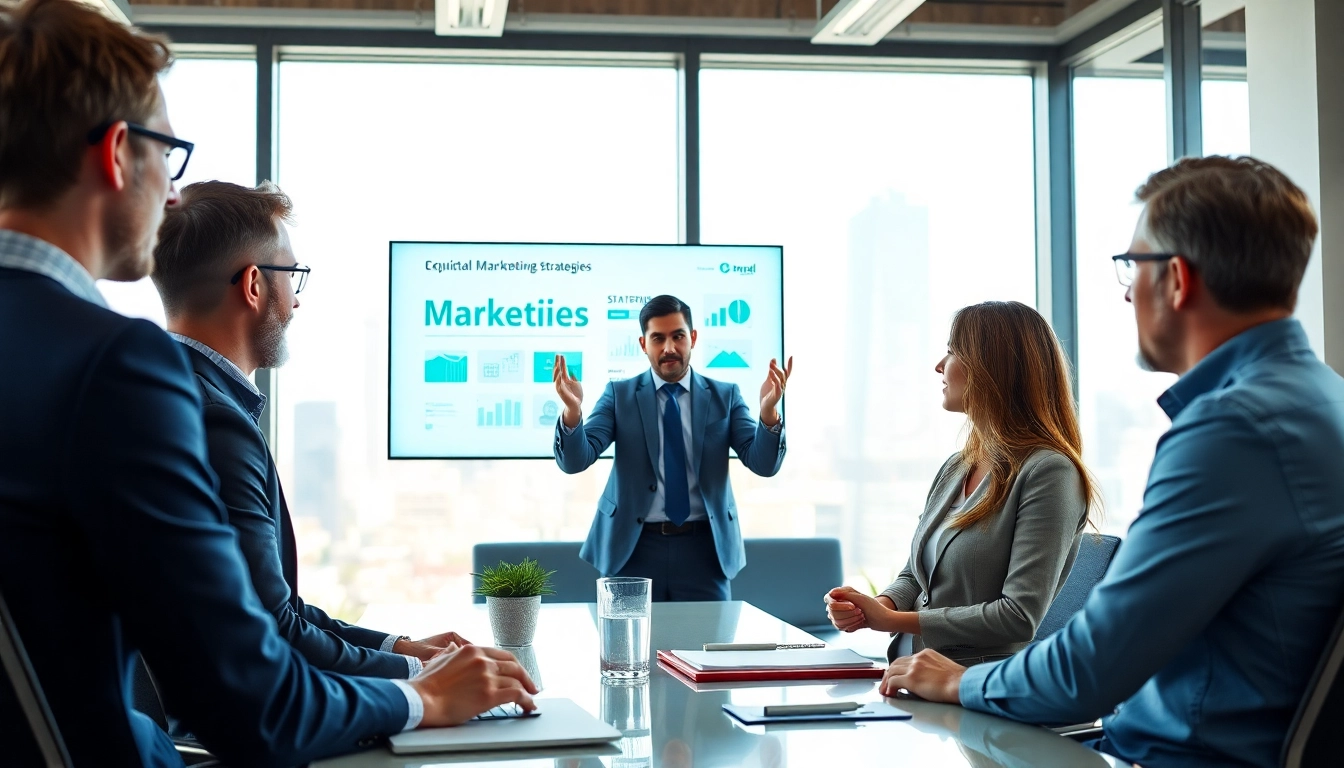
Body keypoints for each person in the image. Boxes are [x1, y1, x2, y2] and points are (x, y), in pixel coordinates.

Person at [0, 2, 535, 765]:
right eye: (168, 155)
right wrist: (423, 695)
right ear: (118, 154)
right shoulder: (117, 367)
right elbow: (251, 704)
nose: (174, 195)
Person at [882, 156, 1344, 768]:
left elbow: (1092, 667)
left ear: (1177, 280)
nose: (1127, 291)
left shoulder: (1232, 432)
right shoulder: (1323, 398)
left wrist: (957, 682)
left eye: (1133, 266)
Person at [151, 180, 468, 680]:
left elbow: (276, 606)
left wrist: (403, 648)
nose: (296, 302)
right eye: (291, 275)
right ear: (255, 285)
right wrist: (421, 680)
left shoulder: (165, 391)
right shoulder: (217, 422)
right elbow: (273, 631)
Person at [825, 301, 1097, 665]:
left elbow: (1018, 616)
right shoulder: (957, 467)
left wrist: (891, 621)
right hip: (909, 674)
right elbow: (916, 574)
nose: (940, 365)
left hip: (971, 685)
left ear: (991, 369)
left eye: (953, 351)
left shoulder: (1049, 473)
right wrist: (874, 606)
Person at [552, 294, 791, 600]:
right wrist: (573, 413)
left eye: (678, 336)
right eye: (658, 338)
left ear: (692, 338)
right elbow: (575, 461)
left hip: (704, 552)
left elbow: (764, 464)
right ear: (643, 344)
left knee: (707, 646)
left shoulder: (725, 396)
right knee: (626, 647)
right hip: (633, 548)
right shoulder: (619, 395)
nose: (669, 348)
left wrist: (768, 413)